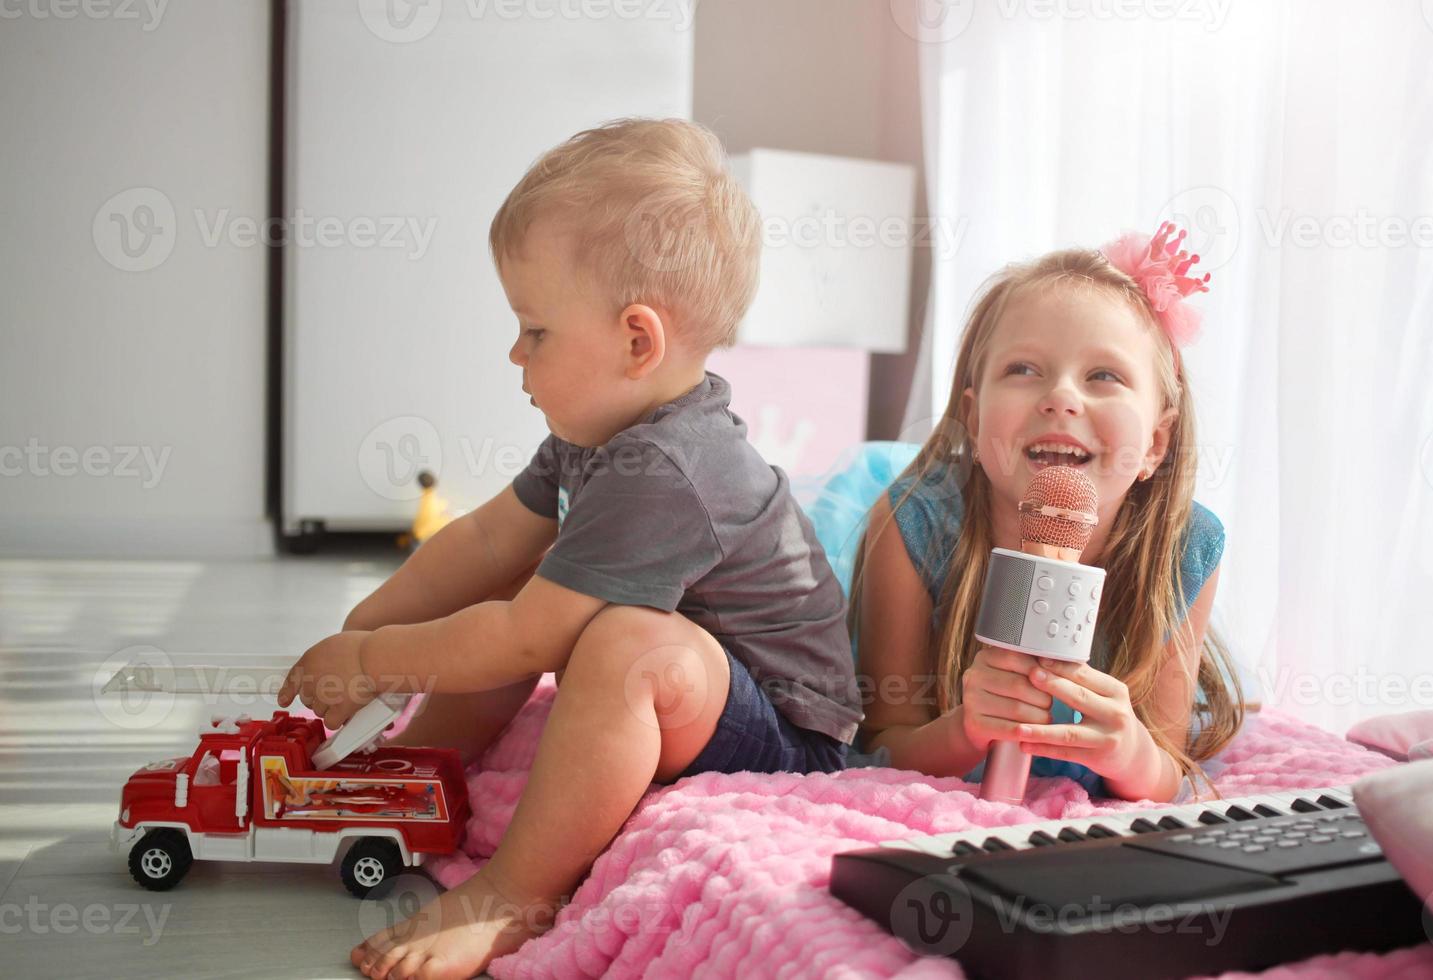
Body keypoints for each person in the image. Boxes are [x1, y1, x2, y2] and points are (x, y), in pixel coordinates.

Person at [277, 118, 862, 978]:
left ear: (637, 341)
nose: (514, 353)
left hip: (785, 739)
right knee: (528, 587)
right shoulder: (595, 433)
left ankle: (514, 895)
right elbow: (483, 541)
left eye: (535, 330)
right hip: (708, 694)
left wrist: (374, 658)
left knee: (608, 638)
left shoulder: (665, 464)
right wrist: (362, 629)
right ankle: (418, 770)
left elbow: (527, 642)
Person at [849, 224, 1245, 803]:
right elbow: (882, 745)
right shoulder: (913, 523)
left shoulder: (1184, 545)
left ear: (1157, 443)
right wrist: (967, 729)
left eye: (1103, 376)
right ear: (975, 419)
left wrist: (1131, 752)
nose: (1061, 397)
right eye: (1023, 370)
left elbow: (1166, 769)